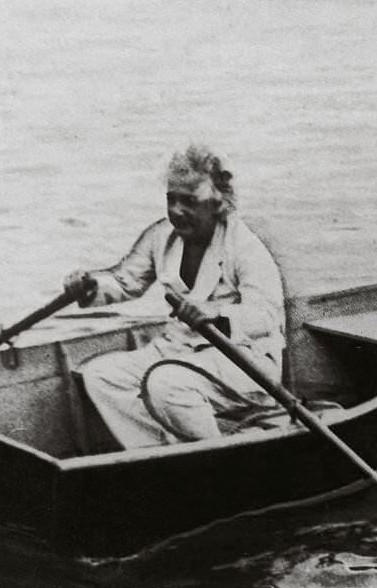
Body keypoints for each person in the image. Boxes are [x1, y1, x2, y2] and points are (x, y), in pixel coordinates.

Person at [63, 145, 285, 449]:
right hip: (177, 350)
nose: (177, 211)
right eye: (172, 199)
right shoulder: (161, 236)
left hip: (243, 361)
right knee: (101, 376)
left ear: (217, 203)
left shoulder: (245, 247)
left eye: (190, 201)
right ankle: (163, 454)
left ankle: (216, 465)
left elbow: (268, 316)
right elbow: (126, 281)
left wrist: (217, 316)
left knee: (166, 385)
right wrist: (90, 286)